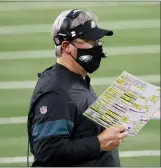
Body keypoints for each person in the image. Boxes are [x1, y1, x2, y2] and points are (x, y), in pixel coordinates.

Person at [27, 9, 128, 167]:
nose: (96, 47)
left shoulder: (77, 78)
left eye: (97, 41)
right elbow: (47, 152)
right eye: (89, 40)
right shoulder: (57, 93)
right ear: (66, 46)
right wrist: (99, 143)